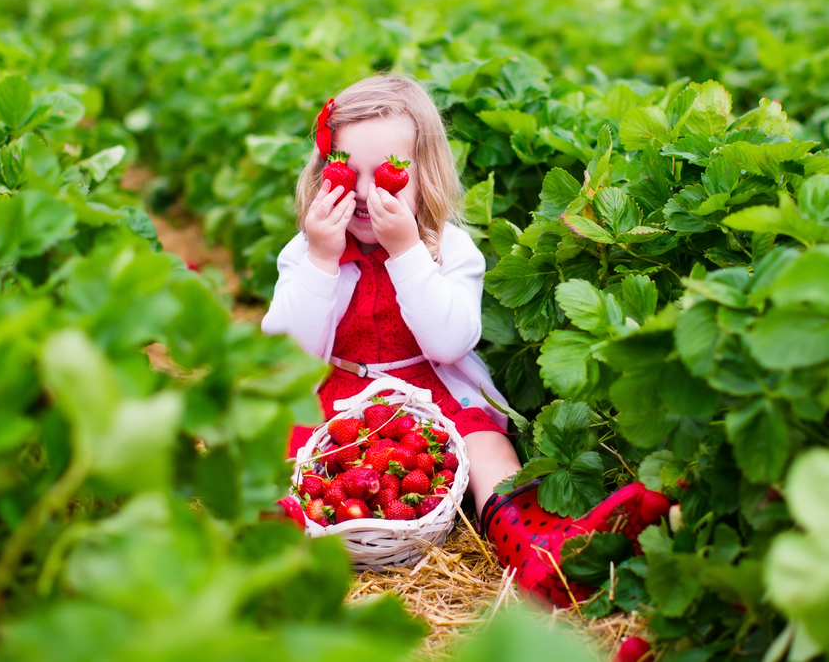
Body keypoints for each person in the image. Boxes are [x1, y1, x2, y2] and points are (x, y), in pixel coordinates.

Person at [261, 74, 668, 608]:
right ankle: (275, 542)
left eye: (388, 174)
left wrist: (406, 250)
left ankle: (538, 549)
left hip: (430, 389)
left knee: (487, 443)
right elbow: (289, 352)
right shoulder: (307, 250)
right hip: (339, 389)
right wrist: (319, 258)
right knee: (286, 445)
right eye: (344, 172)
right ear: (321, 173)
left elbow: (451, 342)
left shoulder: (444, 246)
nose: (363, 192)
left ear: (423, 173)